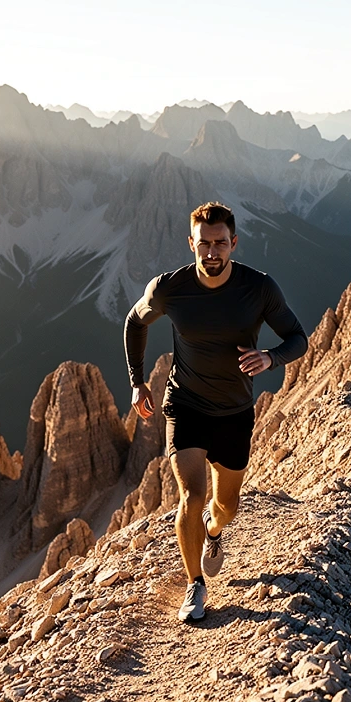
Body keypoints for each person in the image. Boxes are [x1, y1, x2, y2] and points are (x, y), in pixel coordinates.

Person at [124, 201, 308, 622]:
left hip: (235, 411)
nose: (212, 252)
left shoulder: (259, 288)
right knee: (191, 495)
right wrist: (137, 381)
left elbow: (298, 337)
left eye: (220, 243)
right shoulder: (169, 289)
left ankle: (213, 531)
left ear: (234, 243)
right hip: (185, 404)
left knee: (225, 506)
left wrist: (271, 358)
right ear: (191, 243)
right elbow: (135, 323)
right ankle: (195, 585)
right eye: (203, 244)